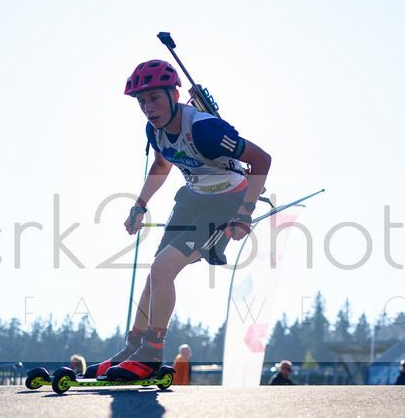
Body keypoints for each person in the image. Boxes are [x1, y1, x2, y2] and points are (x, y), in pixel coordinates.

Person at [88, 60, 272, 382]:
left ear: (175, 94)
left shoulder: (203, 129)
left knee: (163, 269)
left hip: (226, 201)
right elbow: (161, 167)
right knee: (154, 274)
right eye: (142, 101)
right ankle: (133, 349)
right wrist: (140, 204)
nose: (148, 107)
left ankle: (152, 353)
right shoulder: (154, 130)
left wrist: (245, 213)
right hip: (191, 199)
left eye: (155, 98)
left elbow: (261, 160)